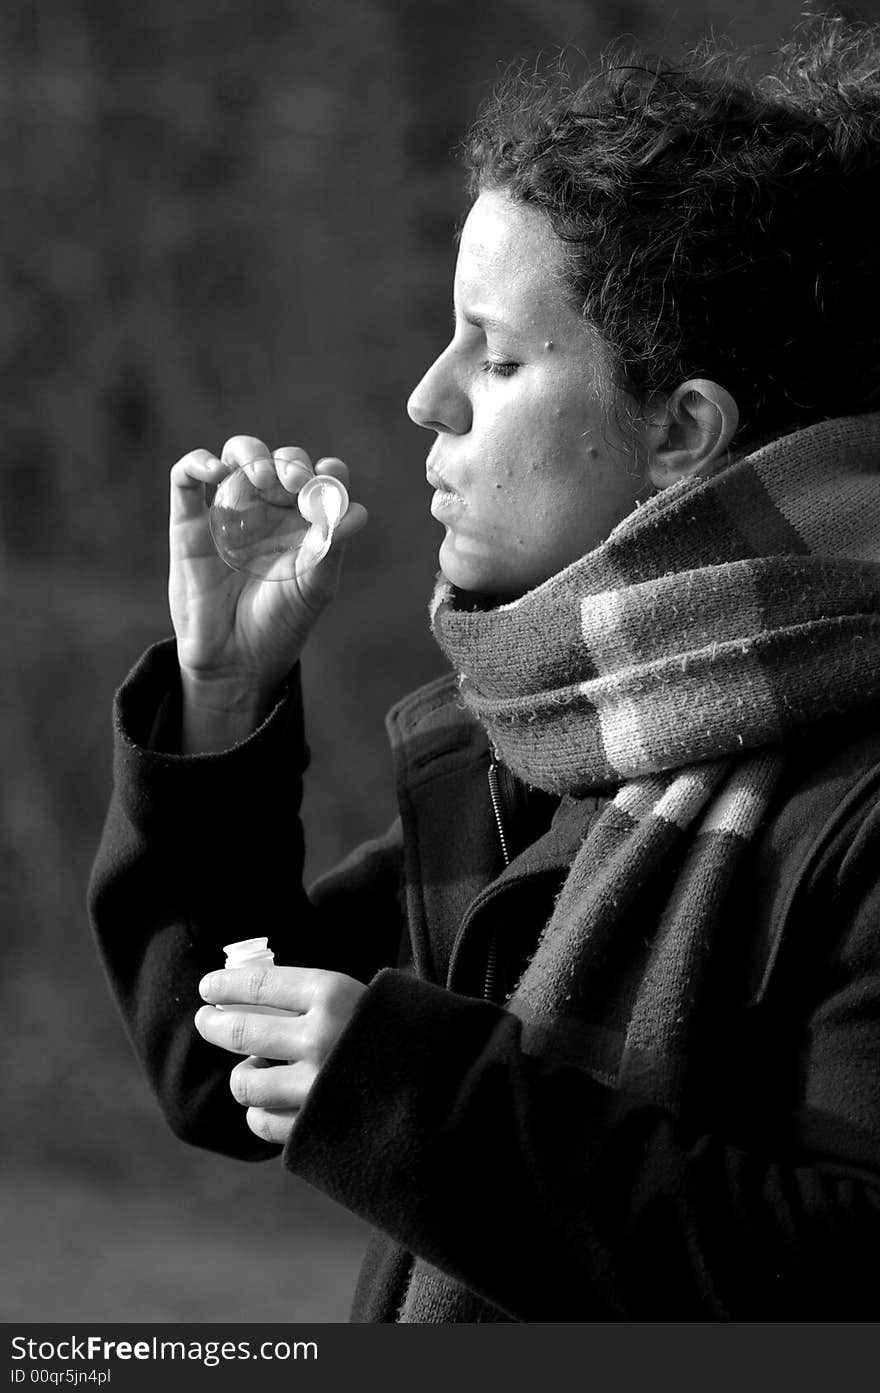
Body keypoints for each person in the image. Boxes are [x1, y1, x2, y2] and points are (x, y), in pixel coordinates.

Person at [89, 17, 880, 1320]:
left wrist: (427, 1106)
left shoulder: (857, 797)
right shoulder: (546, 745)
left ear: (682, 428)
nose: (426, 398)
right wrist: (221, 693)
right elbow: (222, 1053)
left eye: (495, 354)